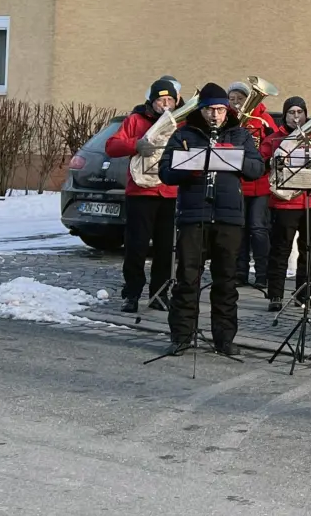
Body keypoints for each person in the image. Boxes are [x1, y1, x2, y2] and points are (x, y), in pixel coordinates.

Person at [157, 82, 267, 356]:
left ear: (227, 110)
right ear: (201, 110)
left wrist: (233, 157)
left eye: (220, 109)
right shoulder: (185, 134)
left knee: (226, 281)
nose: (214, 115)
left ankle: (224, 339)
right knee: (187, 278)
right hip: (194, 215)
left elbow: (257, 169)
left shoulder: (240, 134)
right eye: (209, 110)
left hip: (228, 217)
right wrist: (190, 167)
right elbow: (165, 172)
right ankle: (182, 336)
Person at [106, 79, 181, 313]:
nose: (165, 105)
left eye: (170, 100)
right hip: (140, 192)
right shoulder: (135, 120)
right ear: (152, 102)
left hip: (169, 192)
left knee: (165, 248)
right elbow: (111, 146)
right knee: (136, 247)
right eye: (161, 100)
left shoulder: (181, 121)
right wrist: (136, 145)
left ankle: (159, 294)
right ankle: (132, 294)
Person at [261, 96, 311, 313]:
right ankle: (275, 295)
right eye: (291, 112)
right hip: (284, 203)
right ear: (285, 115)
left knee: (310, 249)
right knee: (280, 250)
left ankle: (303, 294)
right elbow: (261, 164)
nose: (296, 117)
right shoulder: (274, 139)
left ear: (306, 115)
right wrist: (270, 162)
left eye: (300, 112)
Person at [228, 81, 274, 292]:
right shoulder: (229, 120)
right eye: (232, 99)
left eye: (240, 98)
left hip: (259, 182)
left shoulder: (263, 119)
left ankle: (263, 274)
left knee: (258, 228)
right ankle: (240, 273)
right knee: (240, 228)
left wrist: (257, 159)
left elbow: (272, 143)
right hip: (237, 181)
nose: (236, 103)